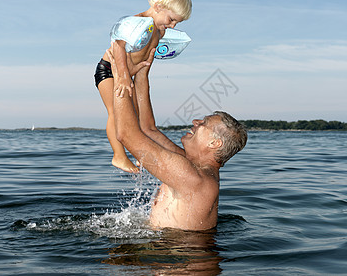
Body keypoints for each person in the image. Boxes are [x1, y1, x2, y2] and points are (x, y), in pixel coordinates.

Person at [105, 49, 247, 231]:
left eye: (204, 123)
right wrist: (141, 73)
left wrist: (121, 78)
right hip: (168, 248)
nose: (195, 122)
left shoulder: (194, 178)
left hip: (175, 252)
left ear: (214, 143)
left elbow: (126, 134)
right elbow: (147, 129)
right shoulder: (193, 166)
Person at [94, 0, 192, 173]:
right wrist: (122, 76)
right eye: (171, 20)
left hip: (128, 74)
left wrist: (137, 76)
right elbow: (118, 46)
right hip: (109, 71)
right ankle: (119, 156)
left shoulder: (159, 31)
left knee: (135, 119)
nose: (172, 26)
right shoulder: (135, 22)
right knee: (115, 112)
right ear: (158, 7)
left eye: (177, 23)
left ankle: (140, 155)